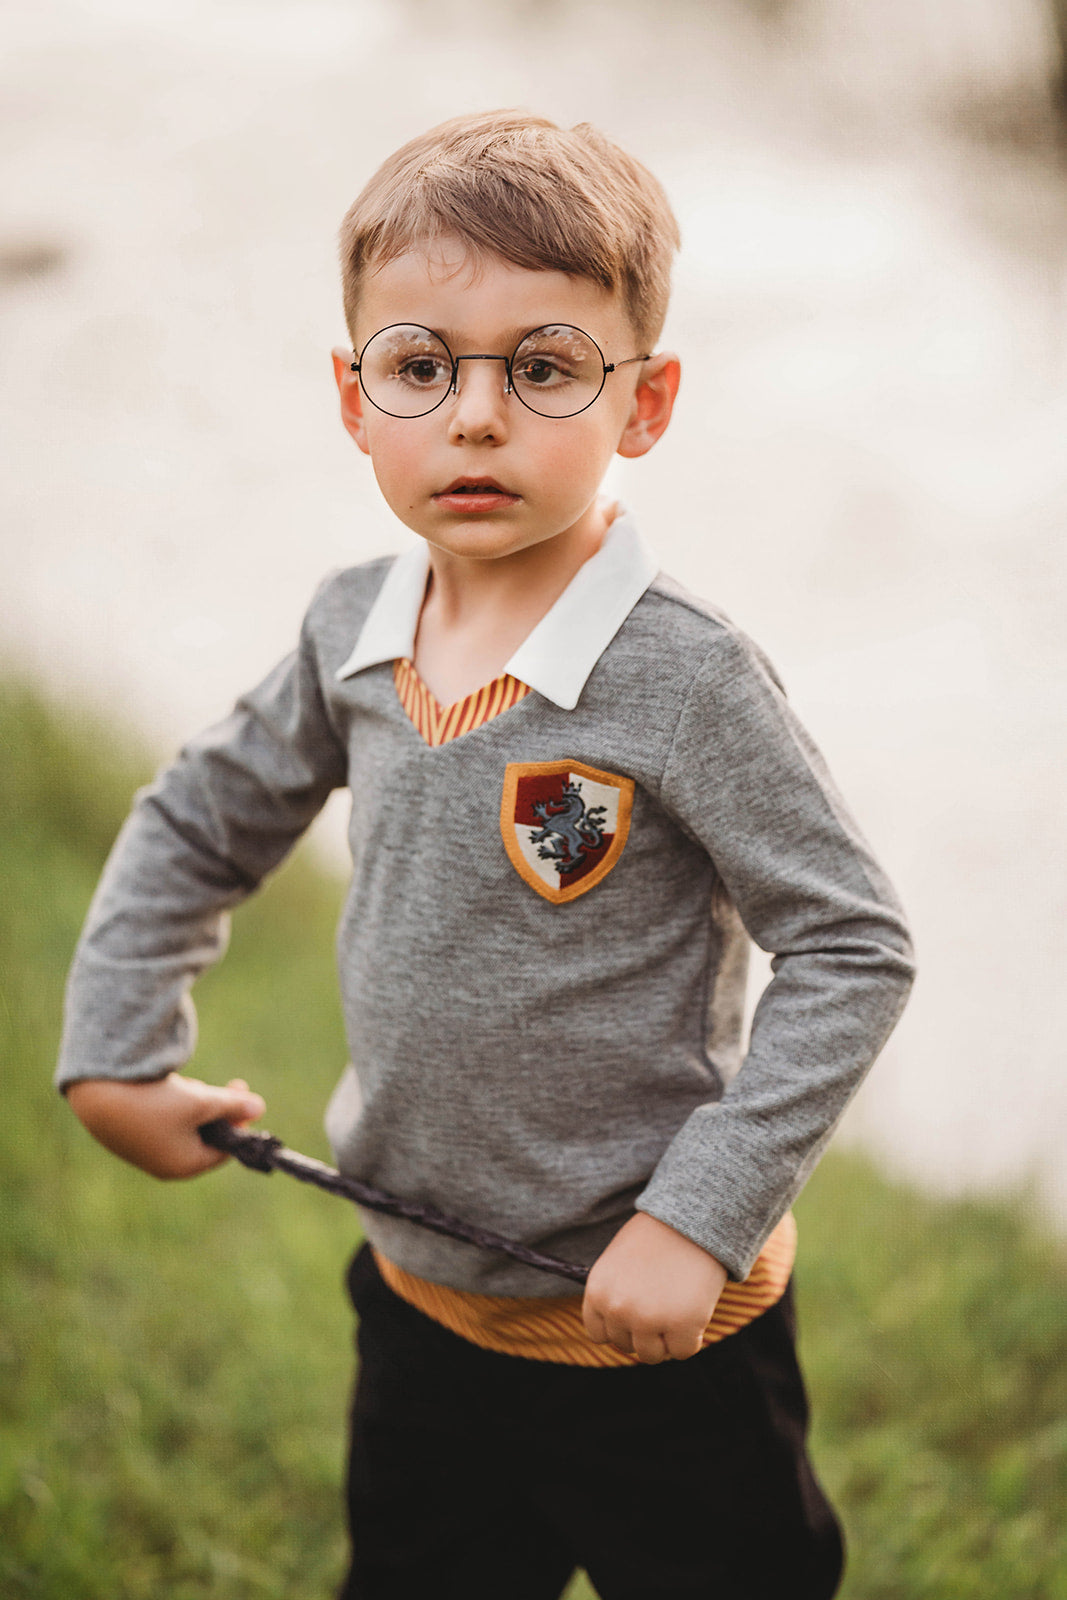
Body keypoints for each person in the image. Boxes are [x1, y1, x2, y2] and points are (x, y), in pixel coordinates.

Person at [57, 110, 915, 1600]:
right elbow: (198, 817)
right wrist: (117, 1050)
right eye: (421, 366)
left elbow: (852, 947)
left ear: (644, 403)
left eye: (543, 367)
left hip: (657, 1333)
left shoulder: (686, 677)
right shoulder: (350, 629)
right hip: (422, 1304)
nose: (474, 417)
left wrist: (698, 1217)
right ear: (354, 396)